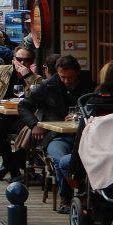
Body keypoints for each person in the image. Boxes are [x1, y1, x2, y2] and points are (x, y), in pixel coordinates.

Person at [18, 54, 93, 213]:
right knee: (60, 159)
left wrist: (81, 116)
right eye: (62, 77)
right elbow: (24, 106)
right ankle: (68, 196)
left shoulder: (88, 86)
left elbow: (95, 108)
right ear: (57, 73)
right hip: (55, 135)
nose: (66, 81)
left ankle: (82, 193)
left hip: (86, 135)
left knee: (73, 160)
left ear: (77, 73)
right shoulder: (47, 86)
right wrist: (34, 124)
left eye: (70, 77)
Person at [0, 46, 42, 181]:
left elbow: (38, 97)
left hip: (22, 117)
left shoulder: (36, 79)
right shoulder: (0, 71)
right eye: (19, 59)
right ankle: (15, 170)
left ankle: (7, 165)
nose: (22, 63)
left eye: (26, 60)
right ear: (13, 60)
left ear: (32, 62)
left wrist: (27, 76)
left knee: (33, 136)